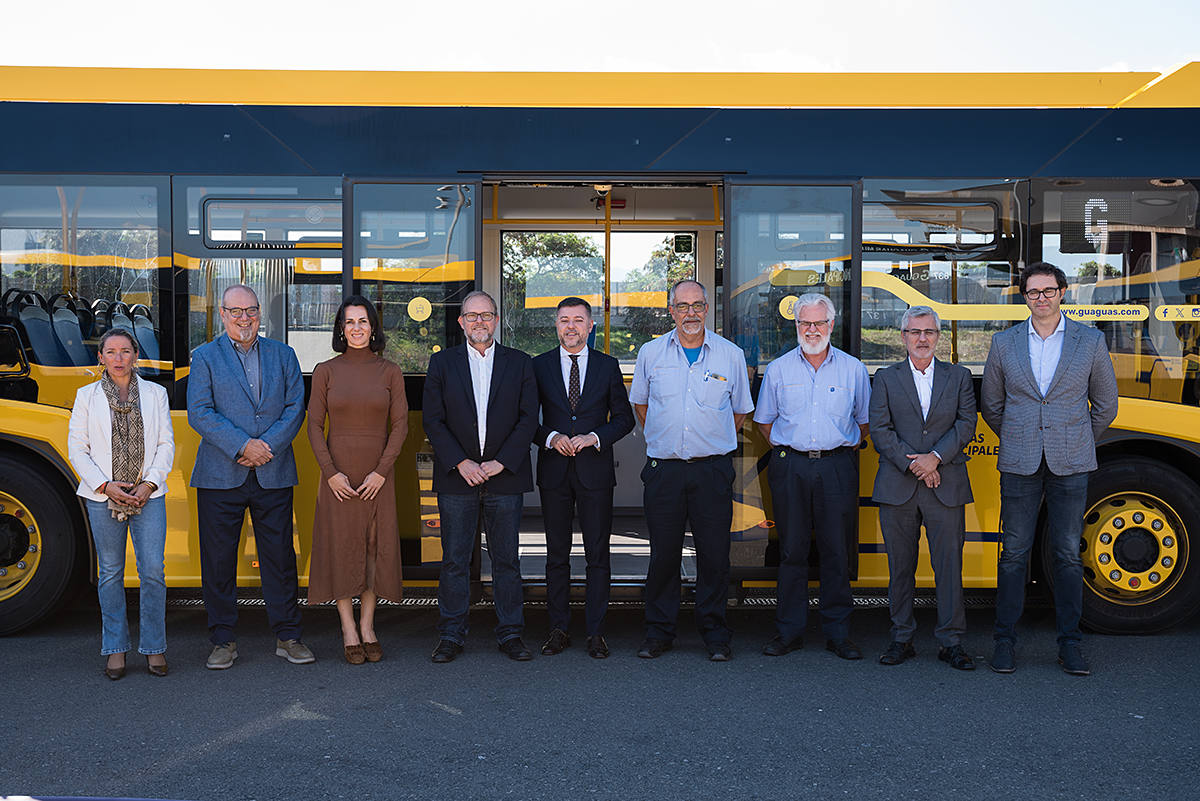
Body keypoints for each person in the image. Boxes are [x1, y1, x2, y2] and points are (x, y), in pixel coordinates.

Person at [982, 262, 1117, 676]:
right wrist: (1022, 434)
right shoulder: (1003, 343)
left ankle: (1070, 644)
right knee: (1013, 554)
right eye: (1032, 292)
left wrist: (1075, 439)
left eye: (1048, 290)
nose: (1041, 298)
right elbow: (992, 405)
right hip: (1020, 461)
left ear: (1063, 292)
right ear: (1024, 297)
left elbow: (1106, 404)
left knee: (1067, 554)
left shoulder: (1089, 341)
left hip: (1071, 462)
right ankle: (1004, 642)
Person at [187, 284, 313, 670]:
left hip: (273, 471)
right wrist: (243, 445)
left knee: (279, 559)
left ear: (261, 314)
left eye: (252, 311)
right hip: (220, 473)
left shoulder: (284, 355)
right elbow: (200, 412)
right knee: (218, 561)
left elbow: (295, 408)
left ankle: (288, 636)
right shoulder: (205, 357)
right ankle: (223, 639)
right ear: (222, 314)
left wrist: (264, 447)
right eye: (236, 311)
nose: (245, 318)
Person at [629, 279, 753, 662]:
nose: (691, 313)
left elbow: (740, 411)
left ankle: (715, 633)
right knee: (663, 555)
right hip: (664, 471)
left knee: (714, 556)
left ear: (707, 309)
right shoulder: (651, 353)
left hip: (712, 471)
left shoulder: (730, 356)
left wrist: (707, 441)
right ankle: (659, 632)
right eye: (682, 306)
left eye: (698, 305)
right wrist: (670, 440)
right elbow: (642, 406)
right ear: (671, 311)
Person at [422, 290, 539, 663]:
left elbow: (527, 419)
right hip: (458, 477)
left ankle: (511, 634)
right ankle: (451, 635)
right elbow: (433, 421)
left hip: (505, 477)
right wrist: (463, 462)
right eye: (472, 316)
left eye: (486, 315)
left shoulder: (520, 363)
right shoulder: (442, 364)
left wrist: (500, 462)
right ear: (461, 322)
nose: (479, 322)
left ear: (496, 320)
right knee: (455, 560)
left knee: (506, 559)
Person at [753, 293, 870, 661]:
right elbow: (764, 423)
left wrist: (831, 452)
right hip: (791, 467)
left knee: (837, 550)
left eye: (819, 323)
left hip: (838, 466)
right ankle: (790, 631)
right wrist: (793, 451)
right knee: (792, 550)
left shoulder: (853, 369)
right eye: (805, 323)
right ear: (796, 325)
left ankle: (838, 633)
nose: (812, 329)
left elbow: (864, 424)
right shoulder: (779, 369)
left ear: (832, 325)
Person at [869, 306, 977, 670]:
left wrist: (935, 458)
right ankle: (902, 638)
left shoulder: (959, 376)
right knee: (901, 567)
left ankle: (951, 642)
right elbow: (880, 430)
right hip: (898, 485)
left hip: (946, 484)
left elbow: (966, 424)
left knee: (949, 567)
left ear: (938, 337)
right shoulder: (885, 378)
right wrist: (915, 464)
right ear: (903, 337)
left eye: (929, 332)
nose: (922, 339)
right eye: (914, 332)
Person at [68, 328, 174, 680]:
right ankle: (115, 648)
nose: (118, 358)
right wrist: (105, 485)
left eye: (125, 351)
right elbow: (77, 449)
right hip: (103, 497)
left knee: (153, 573)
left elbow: (165, 445)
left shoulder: (156, 394)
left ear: (135, 355)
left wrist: (149, 483)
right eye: (110, 352)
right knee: (110, 574)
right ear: (100, 357)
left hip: (148, 495)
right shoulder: (86, 396)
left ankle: (154, 648)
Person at [306, 296, 408, 665]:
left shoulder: (390, 371)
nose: (357, 328)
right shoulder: (325, 371)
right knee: (342, 549)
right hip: (338, 476)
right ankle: (347, 628)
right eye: (349, 322)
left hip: (378, 475)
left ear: (373, 327)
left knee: (371, 550)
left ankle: (368, 626)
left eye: (363, 321)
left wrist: (382, 471)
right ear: (340, 329)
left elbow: (400, 426)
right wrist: (330, 473)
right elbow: (314, 427)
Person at [533, 297, 635, 659]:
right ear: (556, 325)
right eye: (564, 320)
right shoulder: (539, 366)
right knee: (556, 555)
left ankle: (596, 632)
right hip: (554, 472)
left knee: (597, 554)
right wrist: (550, 437)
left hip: (595, 471)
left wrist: (595, 438)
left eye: (578, 320)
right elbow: (526, 419)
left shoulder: (608, 366)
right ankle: (558, 629)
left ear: (591, 326)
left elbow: (625, 419)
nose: (571, 326)